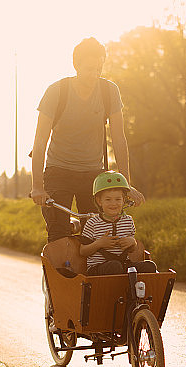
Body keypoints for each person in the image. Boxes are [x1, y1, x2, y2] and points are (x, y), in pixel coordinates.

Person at [29, 37, 145, 243]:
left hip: (93, 174)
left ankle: (90, 267)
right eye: (89, 69)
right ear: (76, 65)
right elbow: (39, 143)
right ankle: (62, 257)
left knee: (97, 233)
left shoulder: (109, 91)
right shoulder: (57, 92)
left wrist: (126, 185)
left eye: (99, 69)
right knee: (58, 233)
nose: (94, 74)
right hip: (58, 171)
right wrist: (38, 186)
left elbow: (119, 139)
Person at [79, 171, 157, 276]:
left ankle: (136, 290)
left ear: (123, 200)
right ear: (99, 201)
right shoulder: (92, 223)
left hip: (123, 265)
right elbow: (83, 251)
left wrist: (132, 242)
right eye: (108, 199)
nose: (113, 203)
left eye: (118, 199)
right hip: (99, 268)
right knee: (114, 266)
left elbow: (132, 248)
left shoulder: (128, 221)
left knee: (150, 266)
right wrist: (99, 243)